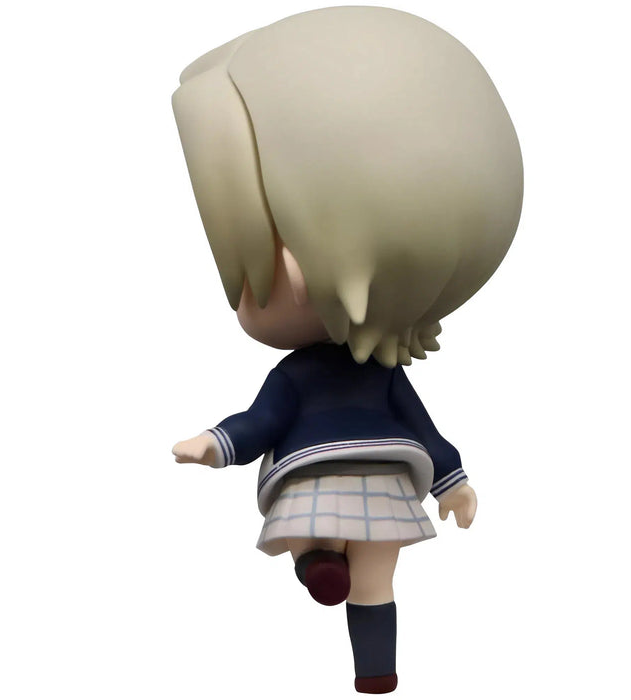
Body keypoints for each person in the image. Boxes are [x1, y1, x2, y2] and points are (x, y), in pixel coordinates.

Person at [170, 6, 523, 694]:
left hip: (317, 473)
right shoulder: (357, 375)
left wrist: (217, 444)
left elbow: (264, 422)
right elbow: (417, 428)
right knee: (375, 579)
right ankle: (372, 664)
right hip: (388, 476)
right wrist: (451, 480)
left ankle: (320, 572)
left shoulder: (300, 373)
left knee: (331, 548)